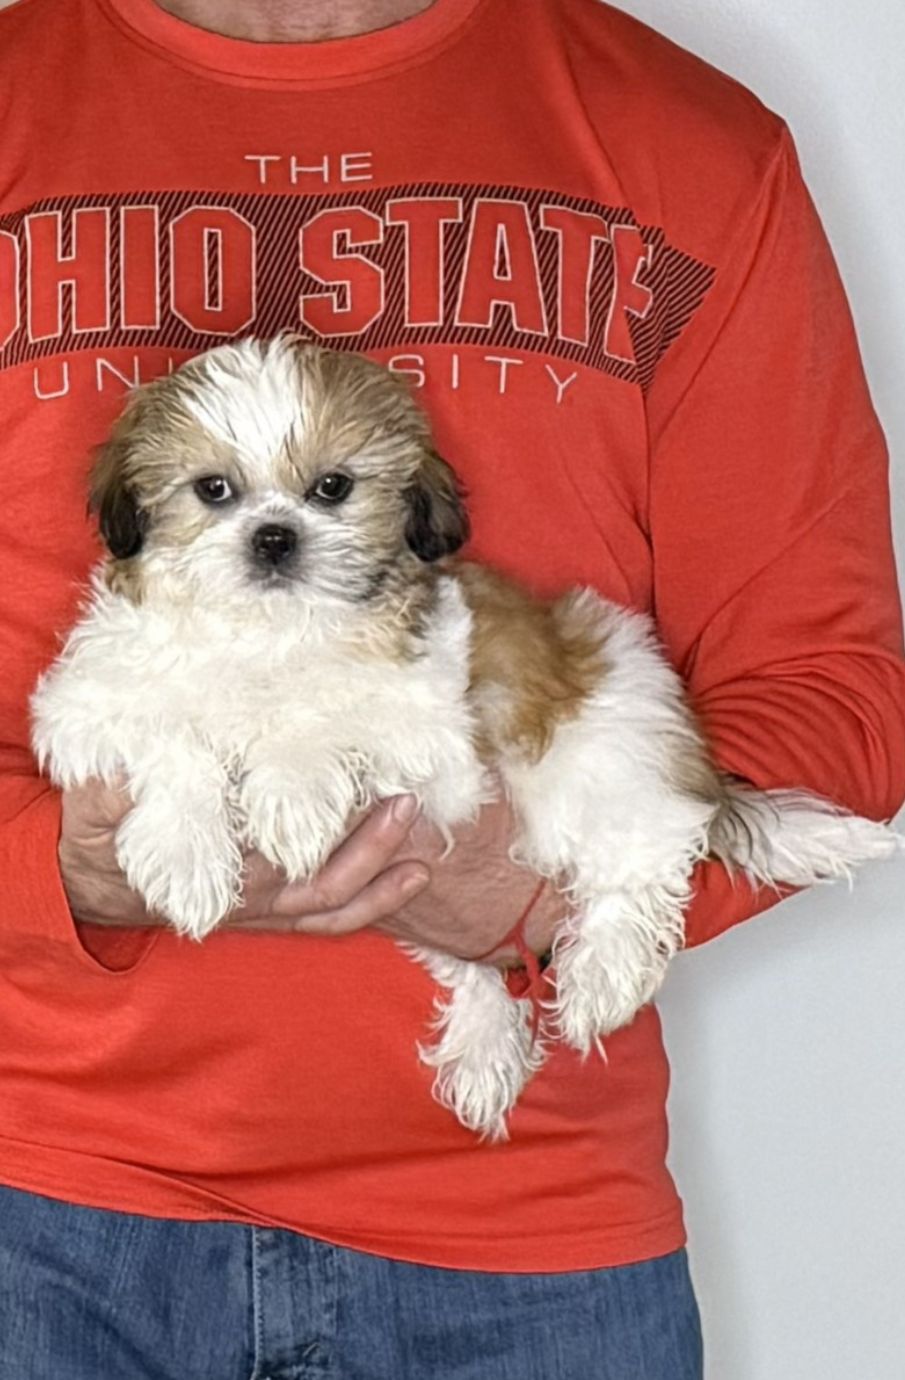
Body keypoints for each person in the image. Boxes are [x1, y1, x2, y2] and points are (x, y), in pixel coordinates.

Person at [0, 0, 902, 1375]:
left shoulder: (684, 147)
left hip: (528, 1230)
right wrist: (51, 873)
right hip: (39, 1201)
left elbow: (833, 695)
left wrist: (551, 897)